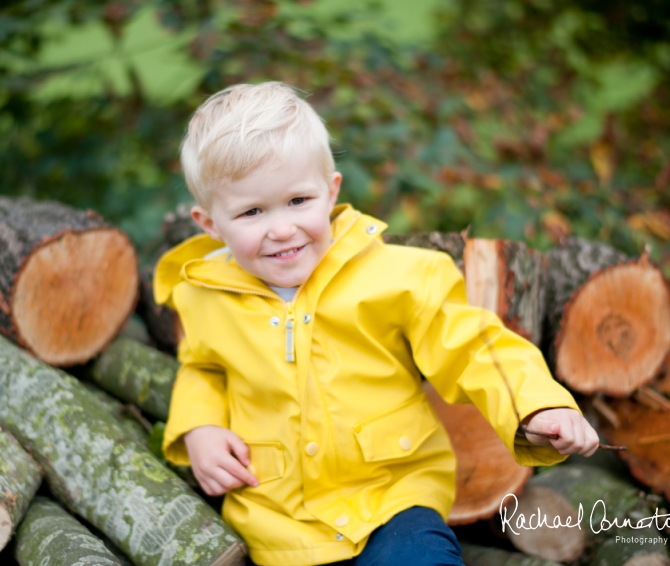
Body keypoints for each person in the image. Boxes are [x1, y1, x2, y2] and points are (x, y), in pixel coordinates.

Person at [153, 82, 600, 566]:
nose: (281, 228)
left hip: (393, 496)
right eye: (252, 212)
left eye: (298, 201)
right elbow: (202, 368)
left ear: (331, 192)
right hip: (281, 520)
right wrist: (199, 427)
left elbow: (476, 348)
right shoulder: (204, 296)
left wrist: (535, 408)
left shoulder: (400, 276)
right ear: (210, 224)